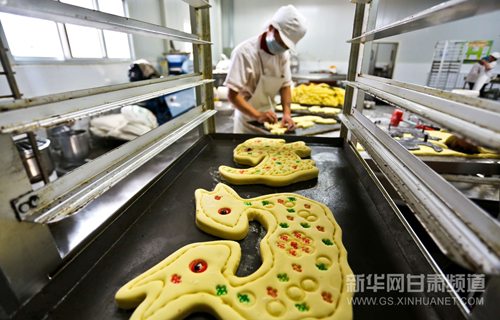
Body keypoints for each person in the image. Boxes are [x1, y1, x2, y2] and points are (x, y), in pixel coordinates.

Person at [224, 5, 307, 133]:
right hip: (247, 121)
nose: (283, 48)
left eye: (286, 46)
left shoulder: (283, 55)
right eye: (281, 43)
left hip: (271, 120)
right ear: (271, 29)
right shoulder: (244, 52)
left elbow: (285, 86)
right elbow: (232, 95)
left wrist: (287, 113)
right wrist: (257, 115)